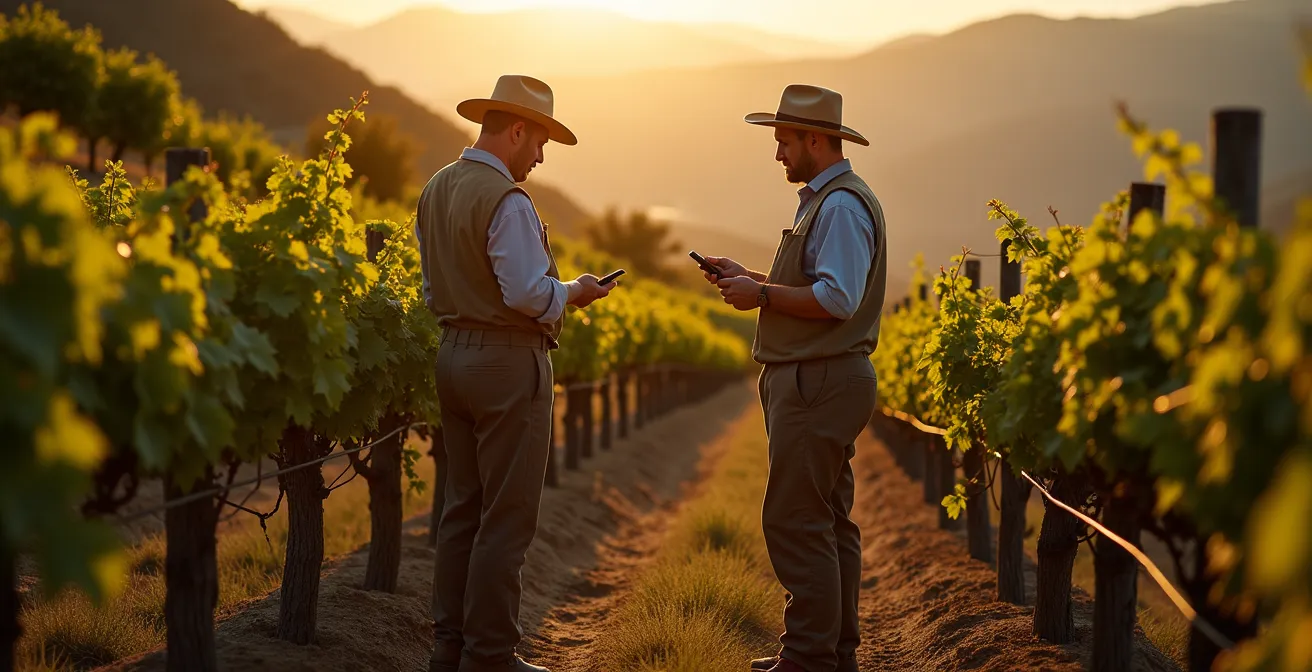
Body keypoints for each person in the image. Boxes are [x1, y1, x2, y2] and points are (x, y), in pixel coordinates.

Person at [415, 74, 615, 672]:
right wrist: (574, 292)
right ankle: (492, 656)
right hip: (506, 365)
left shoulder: (436, 188)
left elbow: (431, 285)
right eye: (539, 141)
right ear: (518, 129)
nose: (540, 155)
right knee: (506, 516)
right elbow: (528, 294)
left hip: (451, 357)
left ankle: (448, 648)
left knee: (461, 510)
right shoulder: (508, 200)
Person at [704, 84, 887, 672]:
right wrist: (752, 276)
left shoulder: (839, 205)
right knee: (828, 519)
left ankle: (810, 657)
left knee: (795, 519)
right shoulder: (826, 200)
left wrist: (759, 294)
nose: (778, 152)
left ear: (814, 139)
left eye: (783, 141)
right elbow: (817, 285)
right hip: (822, 378)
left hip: (819, 381)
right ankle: (832, 652)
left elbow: (837, 298)